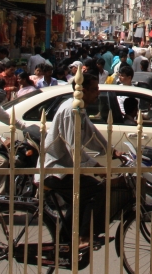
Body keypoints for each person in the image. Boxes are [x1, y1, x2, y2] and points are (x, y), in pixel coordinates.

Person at [43, 71, 111, 251]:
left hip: (67, 168)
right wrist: (96, 167)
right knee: (95, 190)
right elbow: (75, 151)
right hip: (56, 169)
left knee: (80, 196)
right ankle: (83, 236)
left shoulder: (79, 108)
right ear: (83, 91)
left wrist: (111, 151)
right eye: (94, 90)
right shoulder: (71, 110)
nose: (98, 93)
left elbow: (91, 134)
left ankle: (66, 241)